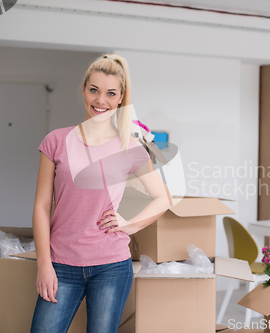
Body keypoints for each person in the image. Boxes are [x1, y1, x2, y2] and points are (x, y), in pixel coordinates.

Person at [30, 54, 171, 333]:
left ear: (120, 99)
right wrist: (44, 265)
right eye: (94, 90)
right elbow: (42, 206)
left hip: (111, 266)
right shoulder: (56, 141)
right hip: (61, 264)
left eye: (110, 93)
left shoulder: (129, 148)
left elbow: (163, 198)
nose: (100, 100)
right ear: (83, 90)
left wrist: (128, 225)